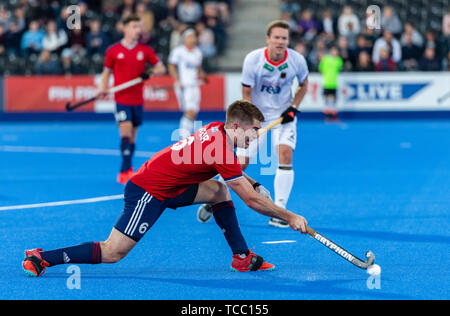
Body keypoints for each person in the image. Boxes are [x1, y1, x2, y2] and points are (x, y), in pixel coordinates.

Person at [22, 100, 309, 277]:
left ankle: (242, 258)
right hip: (148, 190)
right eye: (252, 131)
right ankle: (42, 257)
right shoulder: (221, 147)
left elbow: (234, 177)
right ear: (235, 126)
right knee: (113, 252)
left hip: (174, 185)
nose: (255, 136)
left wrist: (255, 183)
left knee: (218, 192)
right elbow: (250, 201)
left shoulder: (217, 129)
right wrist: (290, 216)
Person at [197, 20, 309, 228]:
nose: (280, 41)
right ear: (268, 39)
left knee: (285, 155)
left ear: (288, 40)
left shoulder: (297, 60)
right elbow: (246, 93)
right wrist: (252, 121)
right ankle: (215, 195)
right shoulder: (253, 60)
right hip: (257, 117)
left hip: (284, 116)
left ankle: (280, 210)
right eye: (276, 37)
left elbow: (304, 84)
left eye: (284, 38)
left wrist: (293, 107)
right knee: (240, 164)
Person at [97, 14, 166, 185]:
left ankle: (128, 168)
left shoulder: (145, 50)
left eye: (140, 26)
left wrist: (148, 73)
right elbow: (106, 72)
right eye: (135, 26)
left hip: (138, 99)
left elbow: (161, 68)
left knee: (133, 138)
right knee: (125, 132)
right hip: (121, 98)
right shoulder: (113, 51)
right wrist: (102, 88)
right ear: (125, 28)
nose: (139, 29)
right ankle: (124, 171)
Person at [168, 28, 207, 139]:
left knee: (194, 112)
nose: (193, 39)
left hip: (194, 85)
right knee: (189, 111)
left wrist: (203, 76)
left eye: (194, 36)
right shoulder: (178, 51)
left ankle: (187, 135)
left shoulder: (198, 52)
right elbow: (171, 66)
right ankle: (184, 137)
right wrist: (177, 80)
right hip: (184, 86)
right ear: (184, 39)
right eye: (190, 37)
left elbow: (198, 68)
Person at [318, 45, 343, 120]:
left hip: (334, 83)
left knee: (334, 99)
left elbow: (339, 69)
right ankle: (327, 114)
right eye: (333, 50)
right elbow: (320, 69)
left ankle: (334, 114)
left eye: (336, 51)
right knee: (326, 99)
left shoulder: (339, 60)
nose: (334, 52)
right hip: (326, 82)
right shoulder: (325, 59)